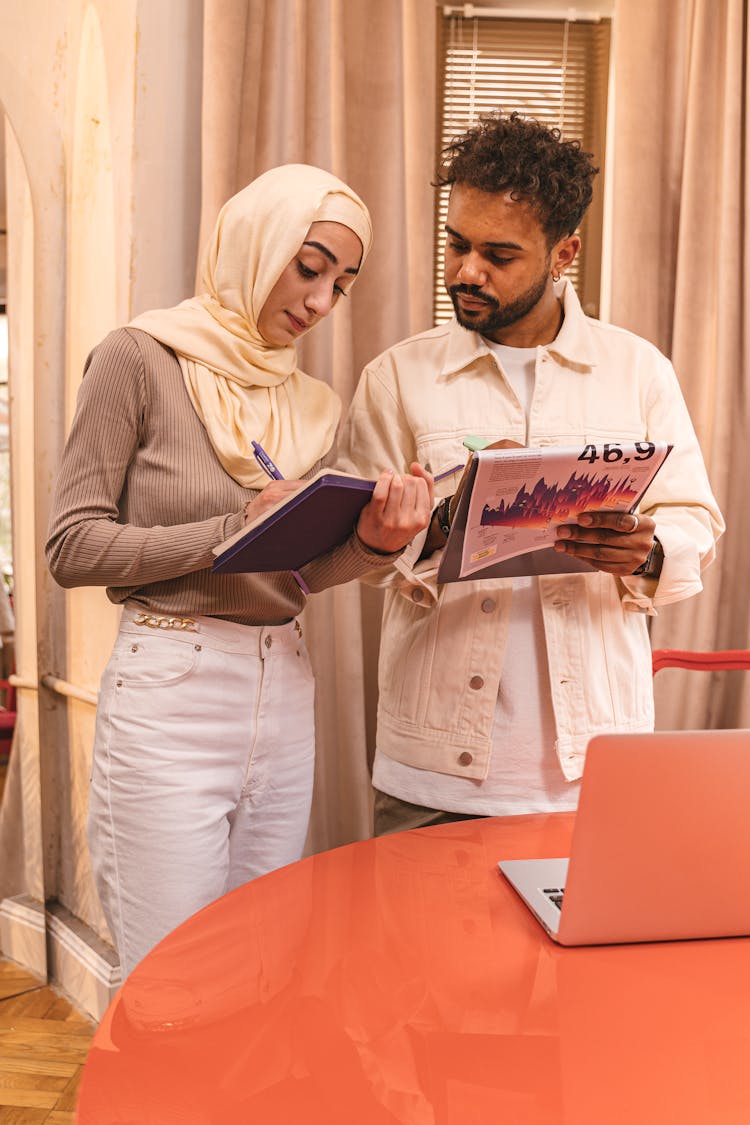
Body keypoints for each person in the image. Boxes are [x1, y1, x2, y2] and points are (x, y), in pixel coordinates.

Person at [46, 164, 433, 974]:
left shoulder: (312, 404)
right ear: (257, 243)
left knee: (258, 976)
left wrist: (374, 542)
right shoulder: (137, 357)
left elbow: (290, 578)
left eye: (342, 284)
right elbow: (71, 546)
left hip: (284, 687)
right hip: (170, 689)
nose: (321, 302)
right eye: (310, 266)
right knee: (169, 982)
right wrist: (228, 527)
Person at [336, 112, 724, 835]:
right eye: (456, 243)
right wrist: (420, 528)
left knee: (580, 951)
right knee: (420, 954)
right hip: (431, 774)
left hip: (597, 769)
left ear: (563, 253)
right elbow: (353, 553)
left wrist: (648, 551)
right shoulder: (399, 375)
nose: (466, 270)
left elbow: (696, 522)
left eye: (498, 253)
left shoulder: (637, 370)